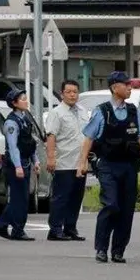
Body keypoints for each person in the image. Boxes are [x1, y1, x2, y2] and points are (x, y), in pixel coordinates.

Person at [76, 71, 140, 263]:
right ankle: (101, 248)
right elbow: (89, 138)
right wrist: (82, 162)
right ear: (114, 87)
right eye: (126, 84)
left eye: (130, 84)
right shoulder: (101, 111)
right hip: (108, 165)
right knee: (111, 205)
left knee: (126, 210)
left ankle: (118, 250)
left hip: (129, 165)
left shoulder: (133, 110)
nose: (129, 88)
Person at [0, 89, 40, 241]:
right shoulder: (11, 122)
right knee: (19, 199)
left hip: (25, 162)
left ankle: (8, 226)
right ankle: (11, 227)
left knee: (23, 198)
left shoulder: (25, 119)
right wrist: (18, 166)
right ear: (14, 103)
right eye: (23, 99)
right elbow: (13, 147)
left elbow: (29, 143)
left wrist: (36, 160)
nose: (26, 101)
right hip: (15, 165)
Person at [45, 79, 88, 241]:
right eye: (68, 92)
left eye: (75, 92)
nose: (72, 95)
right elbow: (51, 136)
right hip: (64, 162)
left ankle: (71, 228)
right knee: (61, 197)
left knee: (76, 197)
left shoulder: (83, 111)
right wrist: (51, 158)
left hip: (80, 162)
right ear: (62, 94)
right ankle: (55, 229)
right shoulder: (57, 113)